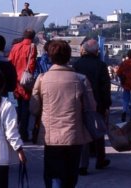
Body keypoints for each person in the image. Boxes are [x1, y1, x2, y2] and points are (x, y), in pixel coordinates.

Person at [29, 39, 95, 188]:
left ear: (50, 57)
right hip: (74, 133)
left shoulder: (42, 79)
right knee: (71, 175)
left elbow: (33, 108)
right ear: (69, 56)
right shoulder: (81, 79)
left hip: (50, 135)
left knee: (53, 174)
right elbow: (91, 107)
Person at [73, 39, 112, 175]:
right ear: (96, 51)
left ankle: (83, 165)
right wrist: (107, 105)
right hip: (98, 102)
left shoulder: (76, 64)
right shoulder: (101, 65)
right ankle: (100, 159)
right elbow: (105, 87)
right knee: (99, 131)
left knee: (82, 132)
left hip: (80, 103)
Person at [9, 28, 37, 141]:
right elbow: (31, 64)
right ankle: (23, 132)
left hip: (15, 80)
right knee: (25, 108)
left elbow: (10, 62)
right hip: (24, 81)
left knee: (17, 107)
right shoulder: (32, 47)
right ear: (33, 36)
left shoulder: (15, 46)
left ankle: (14, 131)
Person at [116, 49, 131, 121]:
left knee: (125, 98)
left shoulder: (124, 63)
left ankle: (124, 111)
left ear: (128, 55)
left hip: (126, 83)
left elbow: (118, 73)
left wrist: (122, 77)